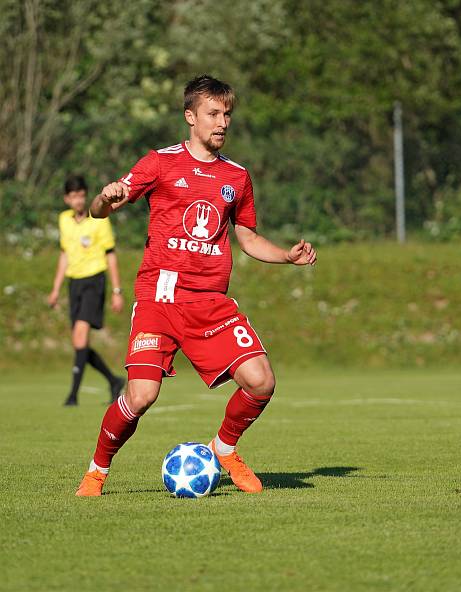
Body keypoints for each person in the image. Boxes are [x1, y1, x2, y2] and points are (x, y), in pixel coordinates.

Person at [75, 75, 316, 496]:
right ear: (191, 117)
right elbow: (100, 211)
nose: (222, 122)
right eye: (213, 114)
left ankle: (224, 448)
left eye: (227, 115)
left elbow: (248, 237)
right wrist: (104, 197)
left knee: (261, 380)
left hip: (210, 302)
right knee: (142, 394)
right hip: (160, 298)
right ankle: (97, 471)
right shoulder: (159, 163)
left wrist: (286, 256)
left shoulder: (237, 177)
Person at [49, 175, 125, 406]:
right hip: (75, 284)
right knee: (79, 343)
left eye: (81, 195)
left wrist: (117, 290)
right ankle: (113, 380)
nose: (78, 200)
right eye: (73, 196)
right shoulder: (64, 220)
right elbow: (64, 255)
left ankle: (73, 396)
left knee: (81, 336)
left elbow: (110, 256)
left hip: (94, 280)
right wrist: (55, 289)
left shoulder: (99, 219)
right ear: (66, 199)